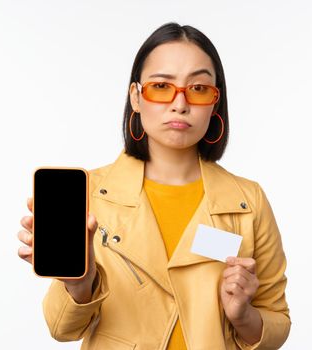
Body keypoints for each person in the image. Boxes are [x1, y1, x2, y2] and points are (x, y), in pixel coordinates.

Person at [17, 22, 290, 349]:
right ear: (135, 96)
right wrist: (80, 284)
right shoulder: (90, 194)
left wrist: (243, 316)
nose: (180, 104)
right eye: (161, 86)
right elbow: (62, 329)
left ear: (215, 102)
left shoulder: (248, 202)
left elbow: (277, 320)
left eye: (199, 88)